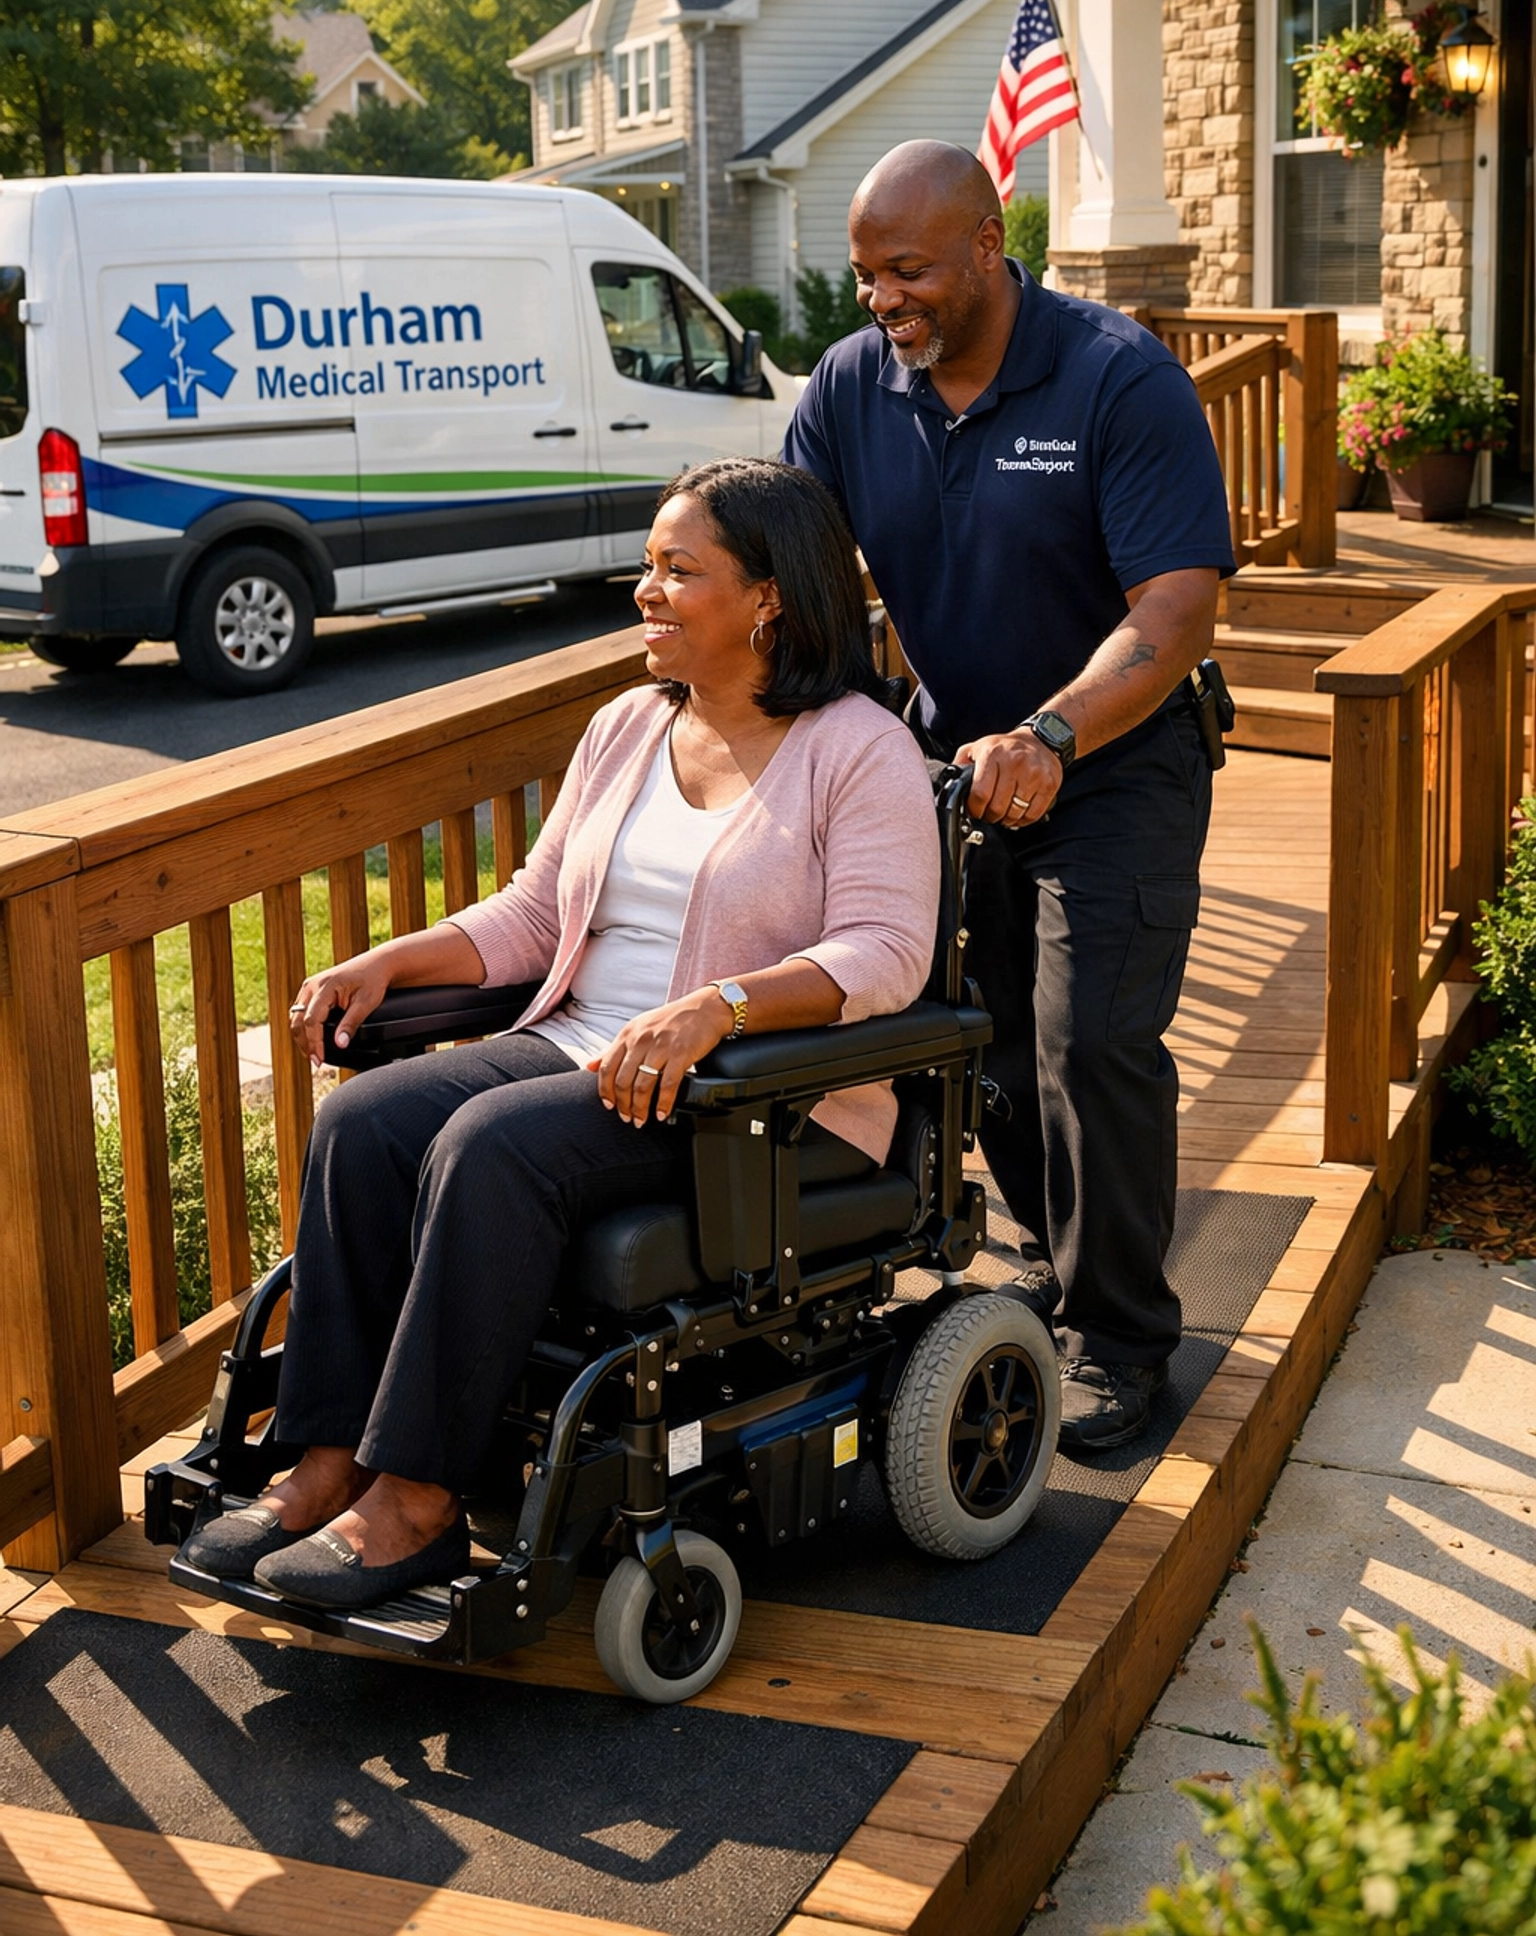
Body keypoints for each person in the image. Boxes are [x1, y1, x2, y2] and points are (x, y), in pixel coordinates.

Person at [183, 458, 941, 1609]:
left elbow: (888, 955)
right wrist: (392, 960)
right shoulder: (629, 727)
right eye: (648, 565)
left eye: (678, 570)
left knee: (489, 1145)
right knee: (365, 1121)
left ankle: (419, 1505)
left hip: (751, 1102)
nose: (645, 589)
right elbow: (540, 913)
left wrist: (720, 1005)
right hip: (585, 1049)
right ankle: (329, 1456)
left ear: (770, 598)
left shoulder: (858, 748)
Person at [784, 140, 1236, 1452]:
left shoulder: (1114, 379)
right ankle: (1050, 1255)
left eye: (909, 270)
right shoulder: (853, 387)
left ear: (990, 245)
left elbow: (1179, 610)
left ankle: (1122, 1340)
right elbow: (789, 561)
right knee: (973, 1044)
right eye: (865, 275)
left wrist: (1051, 731)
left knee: (1086, 1040)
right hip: (950, 770)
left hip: (1116, 761)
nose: (884, 300)